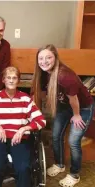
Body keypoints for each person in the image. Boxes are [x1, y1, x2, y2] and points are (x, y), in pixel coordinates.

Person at [31, 44, 94, 187]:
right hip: (64, 106)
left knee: (73, 141)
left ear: (56, 58)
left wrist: (77, 115)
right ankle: (59, 165)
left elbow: (74, 99)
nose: (44, 61)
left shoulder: (65, 76)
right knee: (55, 135)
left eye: (48, 57)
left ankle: (74, 174)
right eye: (41, 58)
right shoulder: (42, 73)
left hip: (82, 107)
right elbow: (41, 92)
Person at [0, 66, 46, 187]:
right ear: (3, 80)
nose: (11, 80)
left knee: (23, 168)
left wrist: (23, 129)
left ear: (18, 81)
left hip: (20, 139)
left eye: (14, 78)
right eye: (8, 78)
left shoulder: (26, 99)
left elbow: (41, 120)